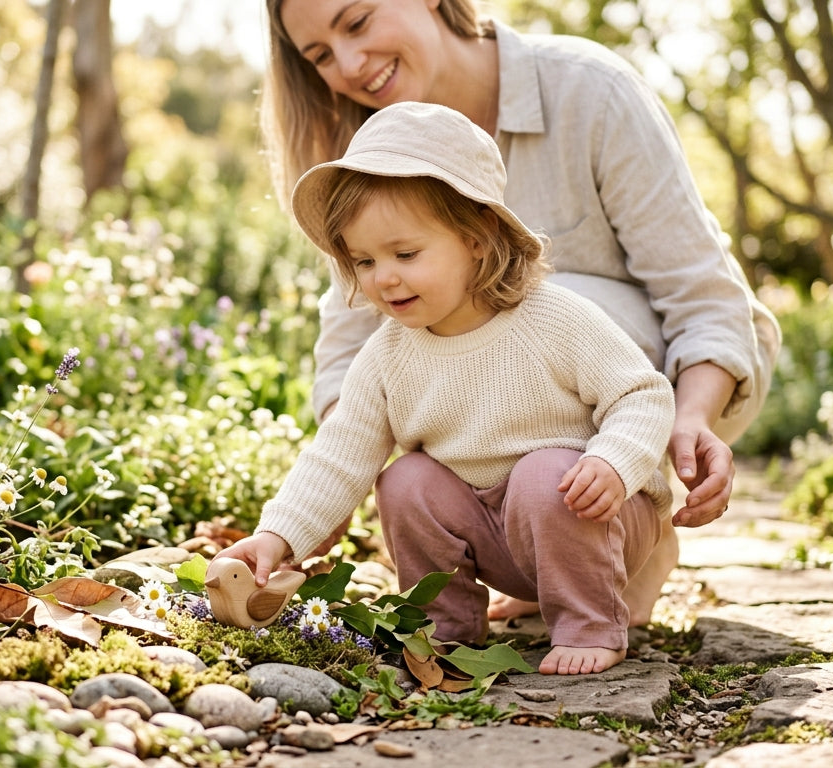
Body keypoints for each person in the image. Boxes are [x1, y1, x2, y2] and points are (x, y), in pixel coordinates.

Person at [259, 0, 782, 624]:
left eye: (358, 21)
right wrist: (316, 502)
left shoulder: (591, 92)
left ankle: (617, 541)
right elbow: (349, 366)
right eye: (319, 55)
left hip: (622, 400)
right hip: (486, 448)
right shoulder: (370, 164)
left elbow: (704, 298)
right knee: (407, 474)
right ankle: (501, 575)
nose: (346, 64)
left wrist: (687, 418)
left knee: (550, 357)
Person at [215, 101, 676, 675]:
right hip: (495, 539)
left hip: (592, 515)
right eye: (363, 260)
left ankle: (588, 624)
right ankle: (447, 626)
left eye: (405, 254)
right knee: (404, 479)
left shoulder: (555, 319)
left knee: (539, 476)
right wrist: (277, 538)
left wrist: (615, 461)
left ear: (477, 237)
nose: (383, 277)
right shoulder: (387, 354)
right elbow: (338, 454)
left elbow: (643, 395)